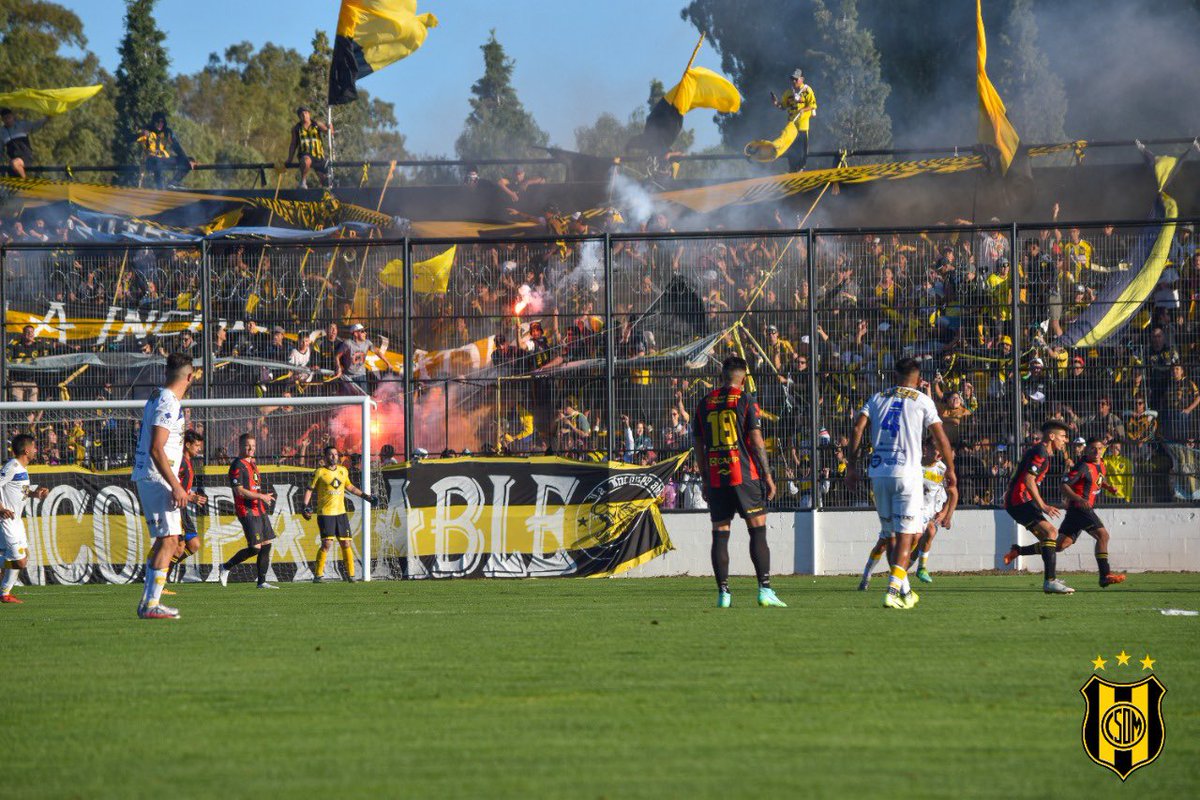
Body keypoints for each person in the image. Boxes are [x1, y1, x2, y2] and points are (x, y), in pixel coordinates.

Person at [846, 357, 956, 609]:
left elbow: (857, 429)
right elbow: (941, 438)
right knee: (907, 535)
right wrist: (950, 469)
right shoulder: (923, 400)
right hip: (907, 474)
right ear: (918, 379)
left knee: (890, 535)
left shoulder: (877, 398)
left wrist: (851, 466)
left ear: (895, 375)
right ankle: (893, 590)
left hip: (878, 473)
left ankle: (905, 592)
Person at [691, 356, 785, 609]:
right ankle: (765, 590)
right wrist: (767, 475)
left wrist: (705, 478)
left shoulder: (704, 403)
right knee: (758, 530)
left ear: (722, 377)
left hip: (716, 477)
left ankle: (723, 594)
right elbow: (756, 440)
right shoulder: (745, 400)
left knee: (720, 534)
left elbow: (698, 444)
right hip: (744, 475)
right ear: (743, 379)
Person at [1007, 438, 1127, 589]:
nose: (1097, 452)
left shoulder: (1101, 464)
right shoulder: (1083, 466)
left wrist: (1108, 487)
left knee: (1059, 545)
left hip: (1075, 513)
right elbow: (1064, 485)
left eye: (1099, 449)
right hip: (1081, 509)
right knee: (1103, 536)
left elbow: (1098, 480)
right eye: (1093, 449)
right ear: (1086, 450)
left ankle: (1019, 550)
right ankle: (1105, 575)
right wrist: (1078, 499)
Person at [131, 352, 196, 619]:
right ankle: (151, 604)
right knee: (170, 541)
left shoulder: (158, 395)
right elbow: (157, 448)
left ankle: (148, 602)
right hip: (158, 478)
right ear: (190, 377)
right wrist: (176, 485)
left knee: (164, 541)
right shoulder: (168, 401)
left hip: (152, 476)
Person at [1001, 421, 1075, 594]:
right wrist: (1043, 506)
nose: (1065, 440)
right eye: (1063, 436)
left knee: (1050, 542)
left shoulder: (1042, 452)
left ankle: (1019, 552)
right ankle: (1050, 581)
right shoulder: (1040, 451)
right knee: (1051, 533)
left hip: (1022, 500)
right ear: (1052, 436)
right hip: (1018, 501)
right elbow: (1029, 479)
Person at [302, 445, 378, 582]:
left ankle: (351, 576)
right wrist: (304, 506)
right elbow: (309, 489)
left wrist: (366, 497)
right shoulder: (319, 472)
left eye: (336, 454)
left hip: (341, 514)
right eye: (330, 454)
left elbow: (350, 487)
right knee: (327, 544)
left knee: (346, 544)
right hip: (325, 514)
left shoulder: (343, 471)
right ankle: (318, 576)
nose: (334, 457)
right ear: (325, 457)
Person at [217, 433, 278, 589]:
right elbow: (239, 491)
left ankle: (262, 582)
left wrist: (262, 497)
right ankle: (225, 567)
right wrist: (261, 496)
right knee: (255, 548)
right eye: (247, 445)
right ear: (240, 446)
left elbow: (253, 486)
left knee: (266, 543)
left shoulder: (252, 463)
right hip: (247, 510)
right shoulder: (237, 465)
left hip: (259, 509)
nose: (251, 448)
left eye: (253, 446)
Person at [0, 435, 50, 604]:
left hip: (17, 521)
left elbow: (20, 491)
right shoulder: (12, 466)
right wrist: (1, 508)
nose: (36, 450)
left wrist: (35, 494)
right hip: (6, 520)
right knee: (20, 562)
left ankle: (5, 593)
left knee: (22, 557)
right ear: (27, 450)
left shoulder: (22, 468)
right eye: (34, 447)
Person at [165, 429, 208, 586]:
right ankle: (160, 580)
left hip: (182, 509)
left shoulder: (188, 462)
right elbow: (171, 485)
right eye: (196, 445)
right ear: (187, 445)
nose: (199, 449)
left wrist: (191, 495)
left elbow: (181, 487)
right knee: (179, 547)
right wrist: (189, 497)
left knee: (194, 544)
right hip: (175, 508)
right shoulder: (180, 462)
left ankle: (162, 569)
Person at [770, 68, 817, 172]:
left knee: (802, 150)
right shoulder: (788, 93)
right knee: (791, 149)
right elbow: (783, 107)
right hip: (791, 125)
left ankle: (801, 169)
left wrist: (803, 109)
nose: (794, 81)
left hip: (803, 126)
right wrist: (776, 103)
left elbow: (813, 105)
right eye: (792, 79)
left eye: (796, 79)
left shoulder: (807, 90)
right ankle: (792, 169)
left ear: (802, 79)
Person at [136, 111, 196, 189]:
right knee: (157, 161)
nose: (160, 124)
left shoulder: (167, 132)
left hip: (163, 159)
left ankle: (173, 183)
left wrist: (187, 160)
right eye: (158, 122)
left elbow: (177, 147)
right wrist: (140, 133)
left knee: (187, 160)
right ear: (153, 122)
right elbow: (132, 137)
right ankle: (160, 187)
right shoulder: (146, 130)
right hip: (150, 160)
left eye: (162, 122)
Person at [287, 106, 331, 189]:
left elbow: (329, 132)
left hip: (318, 156)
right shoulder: (296, 129)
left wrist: (330, 128)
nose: (304, 115)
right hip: (305, 154)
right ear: (299, 117)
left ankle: (325, 190)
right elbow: (293, 144)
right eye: (301, 114)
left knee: (325, 179)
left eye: (306, 113)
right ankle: (303, 182)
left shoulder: (316, 124)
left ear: (309, 114)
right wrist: (289, 159)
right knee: (306, 161)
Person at [0, 108, 47, 178]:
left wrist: (47, 118)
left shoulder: (22, 125)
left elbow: (35, 125)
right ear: (2, 120)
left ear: (13, 116)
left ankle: (25, 181)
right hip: (13, 159)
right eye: (5, 118)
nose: (8, 120)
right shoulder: (2, 132)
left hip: (26, 156)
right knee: (12, 167)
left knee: (15, 163)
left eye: (9, 117)